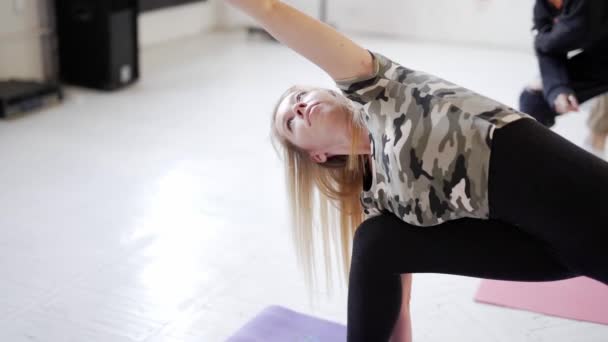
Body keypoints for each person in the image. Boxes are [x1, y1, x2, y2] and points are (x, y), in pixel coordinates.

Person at [225, 1, 608, 341]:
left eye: (299, 97)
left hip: (565, 196)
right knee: (376, 241)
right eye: (290, 122)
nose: (298, 108)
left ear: (327, 91)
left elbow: (269, 10)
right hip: (541, 249)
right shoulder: (378, 199)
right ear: (318, 155)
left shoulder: (378, 87)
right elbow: (397, 306)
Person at [519, 0, 608, 127]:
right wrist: (557, 88)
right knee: (534, 100)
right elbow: (548, 49)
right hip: (601, 59)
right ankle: (531, 146)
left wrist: (543, 39)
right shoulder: (543, 7)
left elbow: (577, 28)